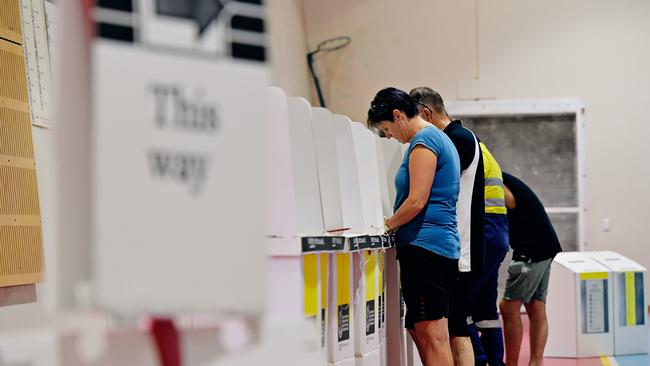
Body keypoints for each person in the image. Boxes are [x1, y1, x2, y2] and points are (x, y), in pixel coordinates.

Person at [368, 87, 460, 366]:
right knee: (419, 329)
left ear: (398, 116)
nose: (390, 136)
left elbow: (417, 200)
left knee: (433, 335)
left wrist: (385, 225)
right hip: (431, 247)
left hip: (427, 248)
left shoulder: (425, 140)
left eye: (387, 129)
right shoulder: (432, 139)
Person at [409, 87, 485, 366]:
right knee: (450, 327)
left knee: (455, 328)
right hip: (456, 244)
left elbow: (435, 188)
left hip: (459, 247)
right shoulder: (458, 138)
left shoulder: (457, 140)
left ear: (426, 113)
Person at [499, 172, 562, 366]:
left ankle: (511, 364)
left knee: (508, 308)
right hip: (545, 245)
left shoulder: (490, 179)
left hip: (533, 247)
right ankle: (536, 363)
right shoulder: (499, 176)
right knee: (536, 307)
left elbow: (508, 202)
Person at [468, 143, 509, 366]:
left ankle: (478, 359)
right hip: (497, 233)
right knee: (486, 310)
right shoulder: (481, 148)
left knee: (459, 307)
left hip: (483, 230)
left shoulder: (462, 145)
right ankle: (495, 362)